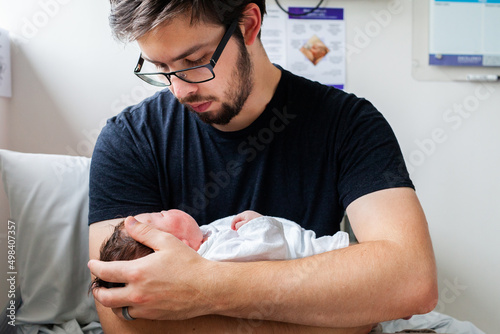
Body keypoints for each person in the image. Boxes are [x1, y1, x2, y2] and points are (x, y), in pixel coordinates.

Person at [87, 1, 438, 333]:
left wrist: (204, 286)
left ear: (249, 24)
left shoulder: (350, 125)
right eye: (161, 68)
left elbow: (412, 281)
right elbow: (120, 320)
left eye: (194, 61)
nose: (178, 90)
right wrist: (337, 322)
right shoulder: (130, 140)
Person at [91, 209, 350, 290]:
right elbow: (271, 249)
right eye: (161, 214)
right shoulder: (217, 258)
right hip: (324, 256)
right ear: (178, 247)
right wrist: (257, 222)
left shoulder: (203, 236)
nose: (165, 208)